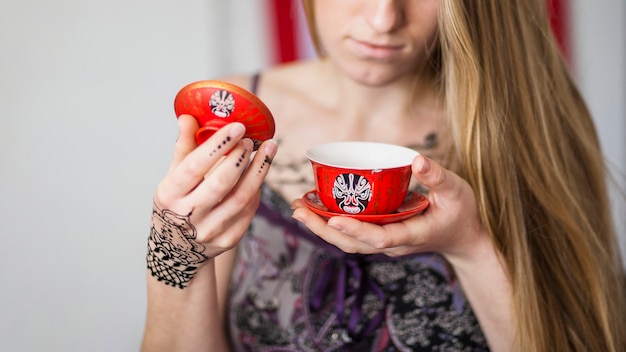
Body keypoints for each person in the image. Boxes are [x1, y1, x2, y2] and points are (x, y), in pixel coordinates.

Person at [141, 0, 626, 351]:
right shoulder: (239, 113)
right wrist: (175, 249)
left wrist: (471, 247)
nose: (383, 18)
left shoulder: (525, 121)